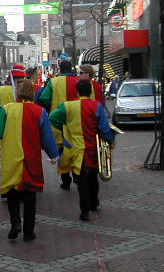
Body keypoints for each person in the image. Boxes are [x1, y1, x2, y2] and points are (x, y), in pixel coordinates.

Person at [0, 80, 59, 241]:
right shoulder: (39, 111)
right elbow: (46, 137)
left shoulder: (6, 109)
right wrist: (53, 155)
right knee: (30, 195)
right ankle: (29, 232)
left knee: (12, 192)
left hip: (10, 157)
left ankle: (15, 223)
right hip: (30, 158)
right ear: (33, 93)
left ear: (17, 93)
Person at [49, 79, 116, 222]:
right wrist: (110, 139)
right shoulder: (97, 106)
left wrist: (64, 127)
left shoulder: (68, 106)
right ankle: (94, 202)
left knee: (82, 182)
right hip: (93, 149)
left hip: (77, 149)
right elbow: (104, 128)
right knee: (93, 178)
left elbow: (52, 117)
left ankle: (84, 211)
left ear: (77, 91)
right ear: (90, 91)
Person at [38, 59, 80, 190]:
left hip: (58, 123)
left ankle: (66, 180)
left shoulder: (53, 82)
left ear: (60, 70)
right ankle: (77, 175)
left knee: (62, 151)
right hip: (76, 122)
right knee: (76, 149)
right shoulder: (79, 81)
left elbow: (44, 98)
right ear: (71, 68)